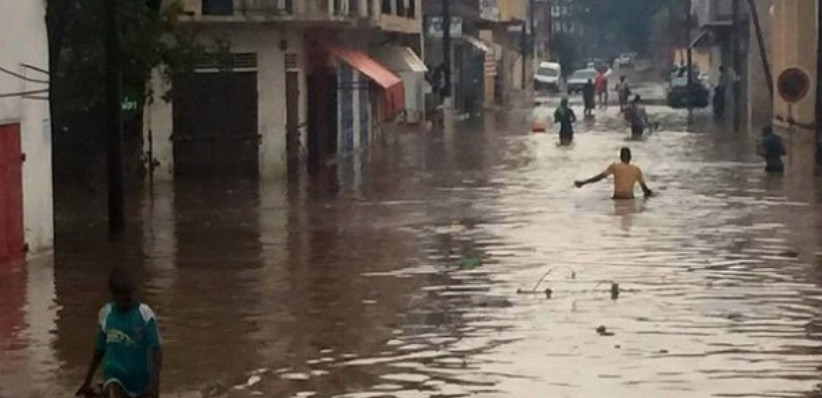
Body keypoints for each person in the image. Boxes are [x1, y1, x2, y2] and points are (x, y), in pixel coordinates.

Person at [77, 269, 163, 398]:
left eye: (128, 296)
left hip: (140, 380)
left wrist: (154, 383)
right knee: (113, 390)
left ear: (134, 292)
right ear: (113, 295)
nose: (125, 302)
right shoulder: (106, 315)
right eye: (121, 297)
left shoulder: (145, 314)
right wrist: (87, 380)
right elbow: (99, 351)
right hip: (115, 376)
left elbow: (156, 349)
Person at [574, 147, 653, 199]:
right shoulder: (636, 170)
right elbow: (645, 190)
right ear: (630, 157)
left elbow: (600, 177)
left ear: (620, 157)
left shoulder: (615, 167)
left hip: (617, 198)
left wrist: (583, 182)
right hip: (629, 199)